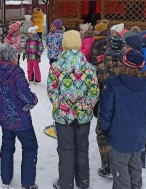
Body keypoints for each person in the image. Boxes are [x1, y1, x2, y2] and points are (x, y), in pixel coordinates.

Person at [0, 41, 38, 189]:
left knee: (7, 145)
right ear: (11, 58)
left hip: (4, 116)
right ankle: (28, 182)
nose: (17, 58)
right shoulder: (16, 72)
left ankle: (6, 178)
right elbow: (24, 93)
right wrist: (34, 99)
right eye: (16, 56)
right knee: (30, 146)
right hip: (20, 118)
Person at [47, 30, 99, 189]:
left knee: (65, 150)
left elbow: (52, 91)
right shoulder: (89, 68)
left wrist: (65, 107)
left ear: (64, 44)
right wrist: (82, 107)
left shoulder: (56, 67)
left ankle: (66, 184)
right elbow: (94, 93)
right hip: (83, 118)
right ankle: (83, 183)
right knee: (82, 148)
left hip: (63, 118)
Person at [99, 48, 146, 189]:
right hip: (139, 134)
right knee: (135, 164)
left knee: (120, 168)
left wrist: (105, 129)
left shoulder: (114, 83)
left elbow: (106, 110)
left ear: (124, 64)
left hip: (120, 135)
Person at [95, 35, 126, 179]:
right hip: (123, 107)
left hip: (105, 107)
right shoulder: (127, 66)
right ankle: (120, 166)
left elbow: (97, 90)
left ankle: (107, 167)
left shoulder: (101, 68)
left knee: (102, 135)